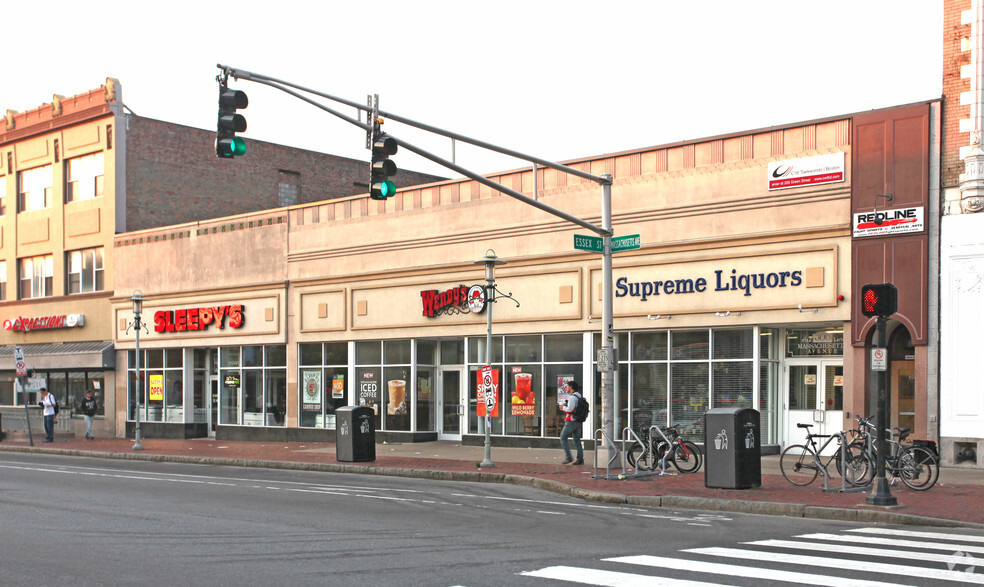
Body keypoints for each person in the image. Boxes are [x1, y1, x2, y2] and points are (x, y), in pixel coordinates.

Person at [559, 380, 584, 465]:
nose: (566, 387)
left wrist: (563, 407)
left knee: (563, 438)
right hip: (578, 421)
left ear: (571, 387)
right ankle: (580, 459)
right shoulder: (579, 396)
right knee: (577, 440)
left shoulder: (572, 398)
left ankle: (568, 457)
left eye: (567, 386)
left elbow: (571, 409)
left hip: (571, 421)